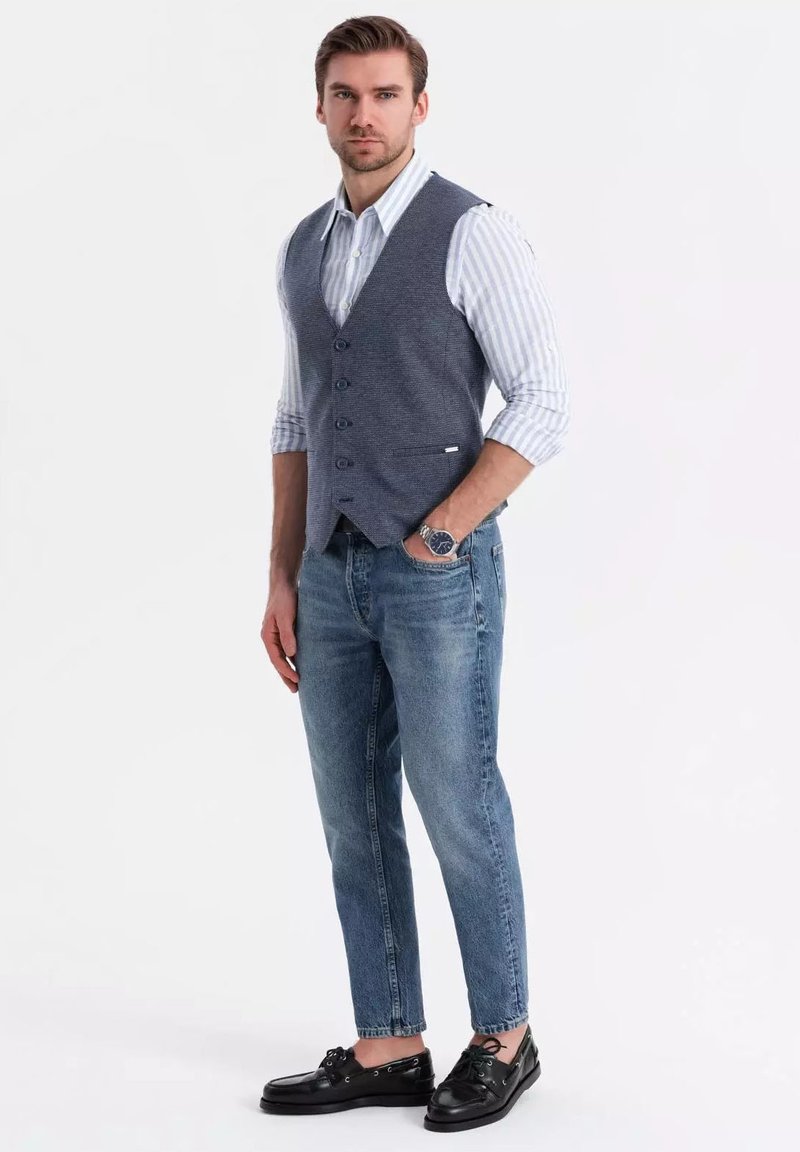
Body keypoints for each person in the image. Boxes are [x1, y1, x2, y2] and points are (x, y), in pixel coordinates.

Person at [259, 14, 569, 1133]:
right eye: (345, 94)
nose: (364, 114)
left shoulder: (469, 231)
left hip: (438, 575)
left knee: (457, 802)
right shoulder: (304, 246)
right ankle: (389, 1042)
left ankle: (505, 1037)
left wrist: (443, 531)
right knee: (351, 813)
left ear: (419, 106)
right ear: (319, 107)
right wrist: (282, 571)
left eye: (385, 94)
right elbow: (298, 416)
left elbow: (544, 400)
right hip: (327, 574)